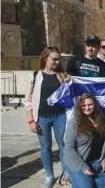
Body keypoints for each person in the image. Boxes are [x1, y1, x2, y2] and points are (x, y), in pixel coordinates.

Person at [24, 47, 69, 188]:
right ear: (45, 58)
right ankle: (49, 176)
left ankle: (64, 174)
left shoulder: (62, 76)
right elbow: (28, 101)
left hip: (60, 115)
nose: (57, 61)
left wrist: (68, 82)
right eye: (54, 59)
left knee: (63, 145)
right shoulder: (35, 76)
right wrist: (31, 120)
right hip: (42, 117)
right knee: (45, 147)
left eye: (58, 59)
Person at [64, 94, 105, 188]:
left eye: (90, 104)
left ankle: (87, 179)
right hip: (78, 162)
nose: (87, 108)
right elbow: (69, 148)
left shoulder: (101, 119)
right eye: (84, 105)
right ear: (79, 106)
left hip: (95, 161)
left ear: (95, 105)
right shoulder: (73, 123)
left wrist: (104, 159)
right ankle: (69, 173)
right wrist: (83, 168)